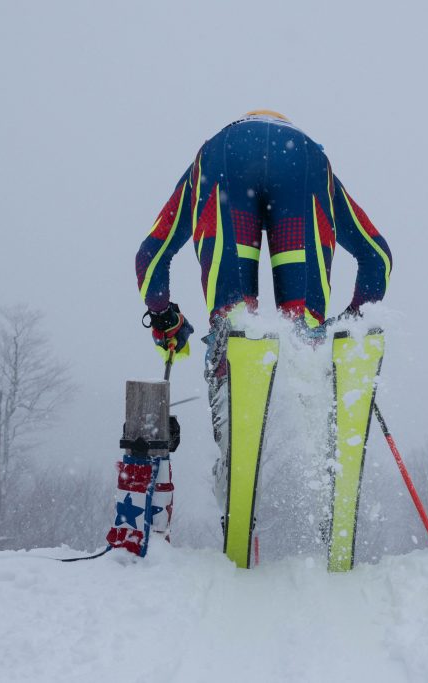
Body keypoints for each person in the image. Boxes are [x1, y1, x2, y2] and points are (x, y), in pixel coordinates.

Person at [107, 110, 393, 555]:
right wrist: (352, 321)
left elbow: (151, 255)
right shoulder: (316, 161)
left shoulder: (207, 158)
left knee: (234, 323)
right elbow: (377, 256)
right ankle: (323, 421)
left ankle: (235, 474)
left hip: (223, 165)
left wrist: (165, 318)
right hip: (304, 167)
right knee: (304, 331)